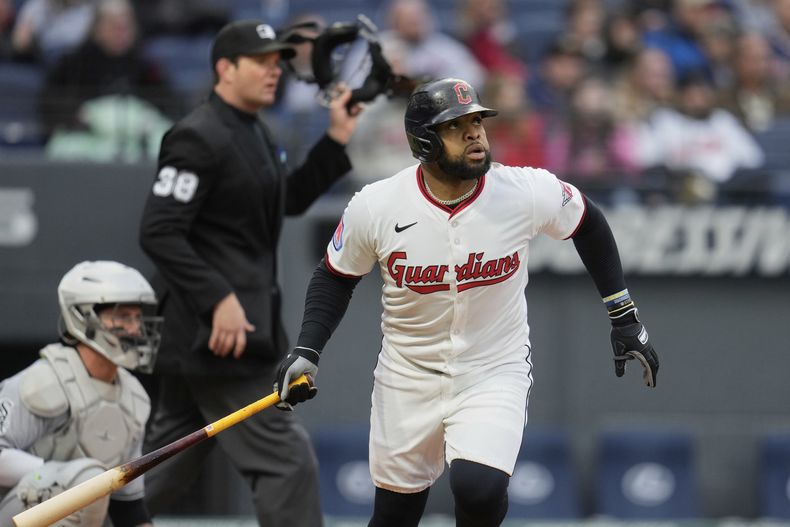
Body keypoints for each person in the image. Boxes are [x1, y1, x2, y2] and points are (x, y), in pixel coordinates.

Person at [274, 77, 660, 526]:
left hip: (493, 368)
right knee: (395, 514)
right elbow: (334, 276)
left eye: (478, 121)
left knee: (479, 488)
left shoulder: (523, 190)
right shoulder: (376, 205)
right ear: (424, 141)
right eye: (457, 126)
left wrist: (623, 315)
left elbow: (588, 222)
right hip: (407, 373)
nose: (476, 133)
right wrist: (307, 349)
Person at [137, 19, 362, 526]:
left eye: (277, 61)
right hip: (218, 338)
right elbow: (159, 230)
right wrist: (218, 297)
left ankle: (82, 519)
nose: (274, 71)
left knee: (164, 469)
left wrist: (334, 140)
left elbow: (289, 199)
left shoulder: (253, 130)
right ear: (224, 67)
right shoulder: (197, 136)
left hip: (221, 335)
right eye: (260, 61)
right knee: (287, 463)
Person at [0, 260, 161, 526]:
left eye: (138, 318)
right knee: (84, 482)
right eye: (123, 317)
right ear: (83, 316)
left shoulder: (134, 398)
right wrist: (68, 478)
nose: (135, 329)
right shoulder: (43, 381)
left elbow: (128, 508)